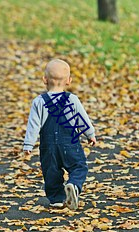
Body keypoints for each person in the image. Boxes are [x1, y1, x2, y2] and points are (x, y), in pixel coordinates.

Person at [23, 59, 96, 210]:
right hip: (70, 143)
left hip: (48, 146)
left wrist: (28, 144)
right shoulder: (72, 99)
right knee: (79, 167)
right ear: (69, 81)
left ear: (45, 79)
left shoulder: (39, 102)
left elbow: (33, 125)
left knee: (51, 172)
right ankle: (74, 185)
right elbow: (82, 119)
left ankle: (56, 199)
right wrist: (90, 134)